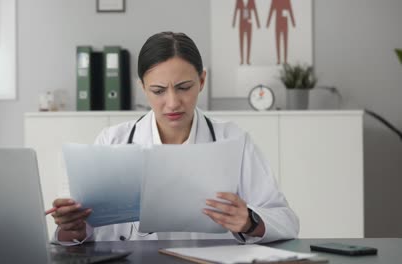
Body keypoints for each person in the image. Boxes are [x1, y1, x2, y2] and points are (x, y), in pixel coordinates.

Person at [51, 32, 299, 245]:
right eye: (158, 91)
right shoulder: (112, 140)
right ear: (143, 87)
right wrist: (73, 228)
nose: (172, 103)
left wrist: (249, 221)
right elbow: (79, 236)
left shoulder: (234, 140)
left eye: (183, 87)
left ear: (201, 81)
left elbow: (286, 221)